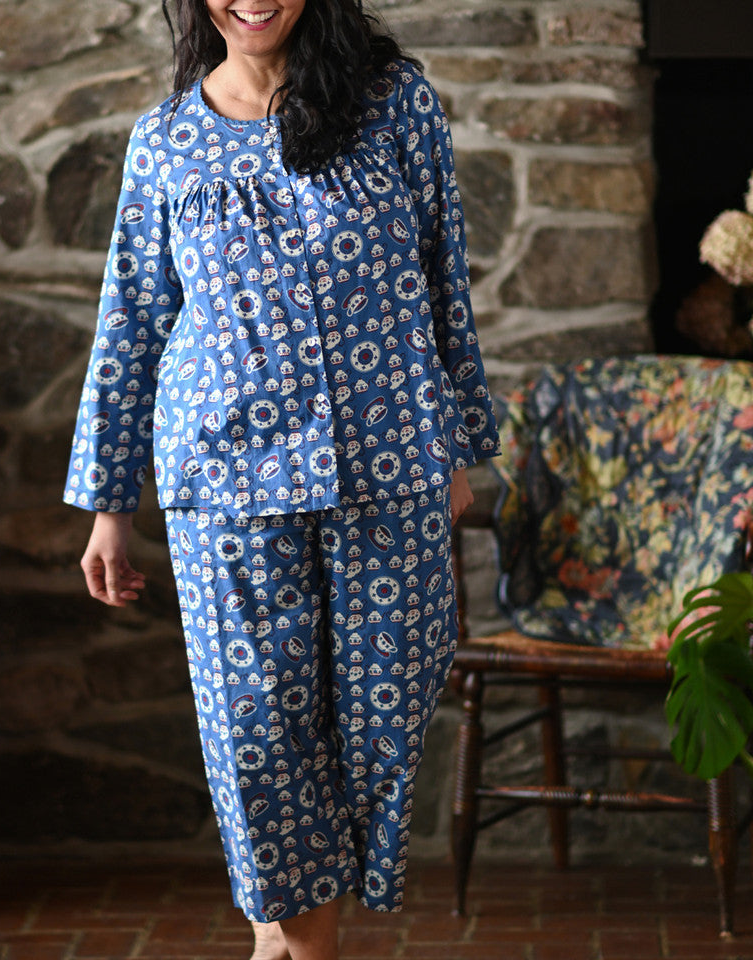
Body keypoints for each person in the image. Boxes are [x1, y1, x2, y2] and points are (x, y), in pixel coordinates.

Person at [64, 2, 500, 957]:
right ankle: (292, 944)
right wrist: (109, 507)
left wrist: (463, 444)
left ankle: (295, 934)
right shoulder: (167, 140)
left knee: (386, 712)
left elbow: (443, 279)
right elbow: (131, 324)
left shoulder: (397, 104)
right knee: (255, 732)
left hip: (390, 466)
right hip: (223, 480)